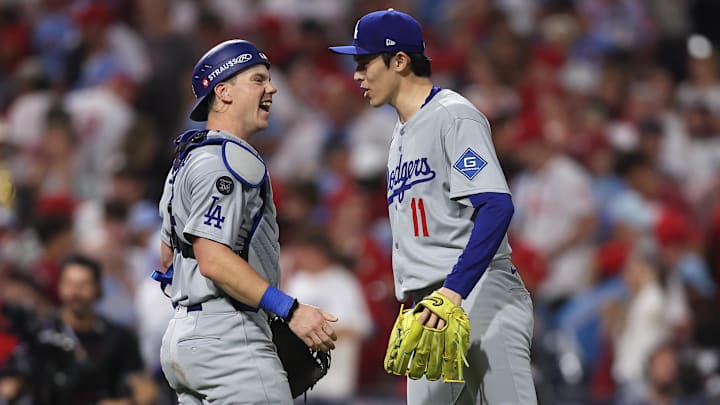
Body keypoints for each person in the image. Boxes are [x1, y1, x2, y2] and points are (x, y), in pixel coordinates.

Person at [329, 9, 536, 405]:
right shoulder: (398, 136)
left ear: (400, 61)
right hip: (428, 306)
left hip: (478, 290)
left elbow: (496, 206)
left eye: (364, 62)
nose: (357, 75)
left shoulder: (453, 115)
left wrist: (454, 292)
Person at [157, 39, 338, 404]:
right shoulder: (228, 159)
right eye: (258, 80)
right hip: (229, 340)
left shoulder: (187, 160)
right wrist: (290, 310)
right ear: (222, 92)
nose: (271, 88)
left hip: (184, 338)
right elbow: (212, 258)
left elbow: (167, 259)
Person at [1, 254, 156, 405]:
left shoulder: (118, 336)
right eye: (69, 284)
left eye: (83, 285)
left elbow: (146, 389)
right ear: (60, 287)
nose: (75, 293)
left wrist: (126, 402)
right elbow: (10, 383)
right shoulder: (41, 334)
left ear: (98, 290)